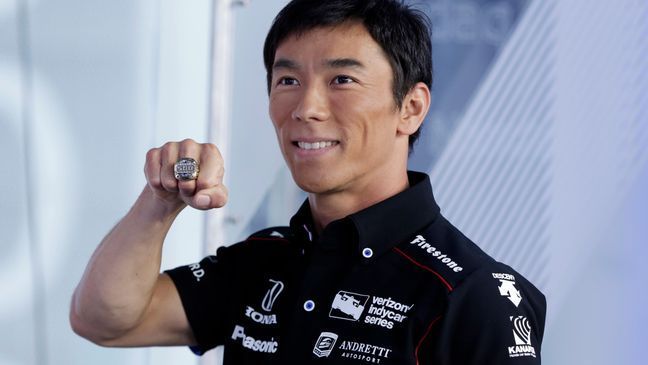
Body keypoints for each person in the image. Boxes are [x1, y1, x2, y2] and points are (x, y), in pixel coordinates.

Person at [70, 0, 546, 363]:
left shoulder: (473, 294)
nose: (306, 108)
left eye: (342, 80)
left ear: (411, 107)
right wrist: (160, 201)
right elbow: (104, 321)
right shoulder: (265, 258)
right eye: (288, 81)